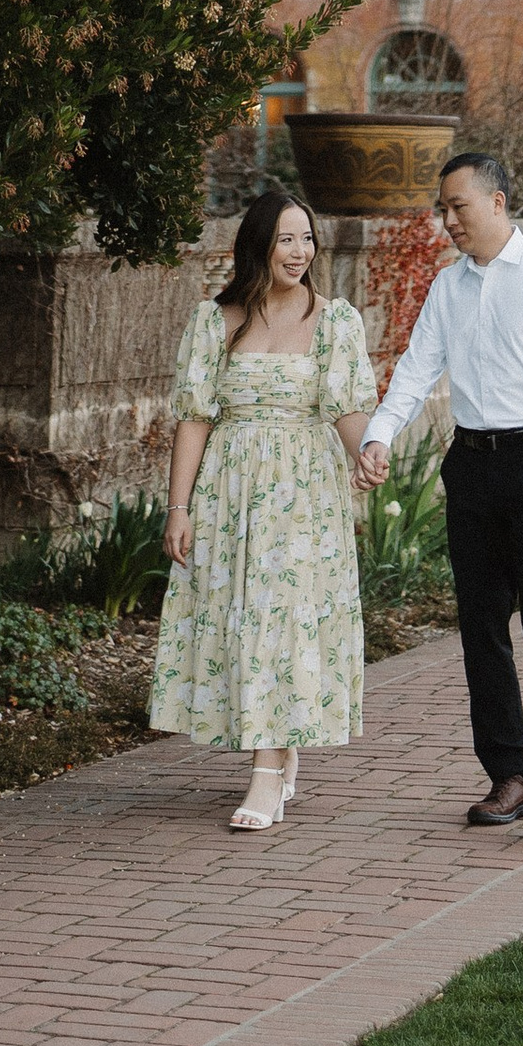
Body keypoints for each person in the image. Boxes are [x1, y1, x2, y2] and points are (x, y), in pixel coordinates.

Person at [358, 148, 523, 833]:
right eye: (443, 209)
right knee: (482, 627)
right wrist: (379, 435)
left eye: (457, 206)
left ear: (496, 202)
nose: (447, 220)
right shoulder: (447, 287)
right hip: (471, 464)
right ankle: (510, 776)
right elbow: (414, 370)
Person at [148, 185, 378, 830]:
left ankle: (267, 773)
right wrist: (178, 506)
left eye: (307, 238)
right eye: (286, 238)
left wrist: (367, 453)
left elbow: (349, 407)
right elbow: (193, 418)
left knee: (285, 623)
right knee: (245, 623)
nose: (300, 251)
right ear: (259, 246)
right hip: (231, 492)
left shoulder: (335, 321)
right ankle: (278, 752)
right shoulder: (214, 320)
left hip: (305, 495)